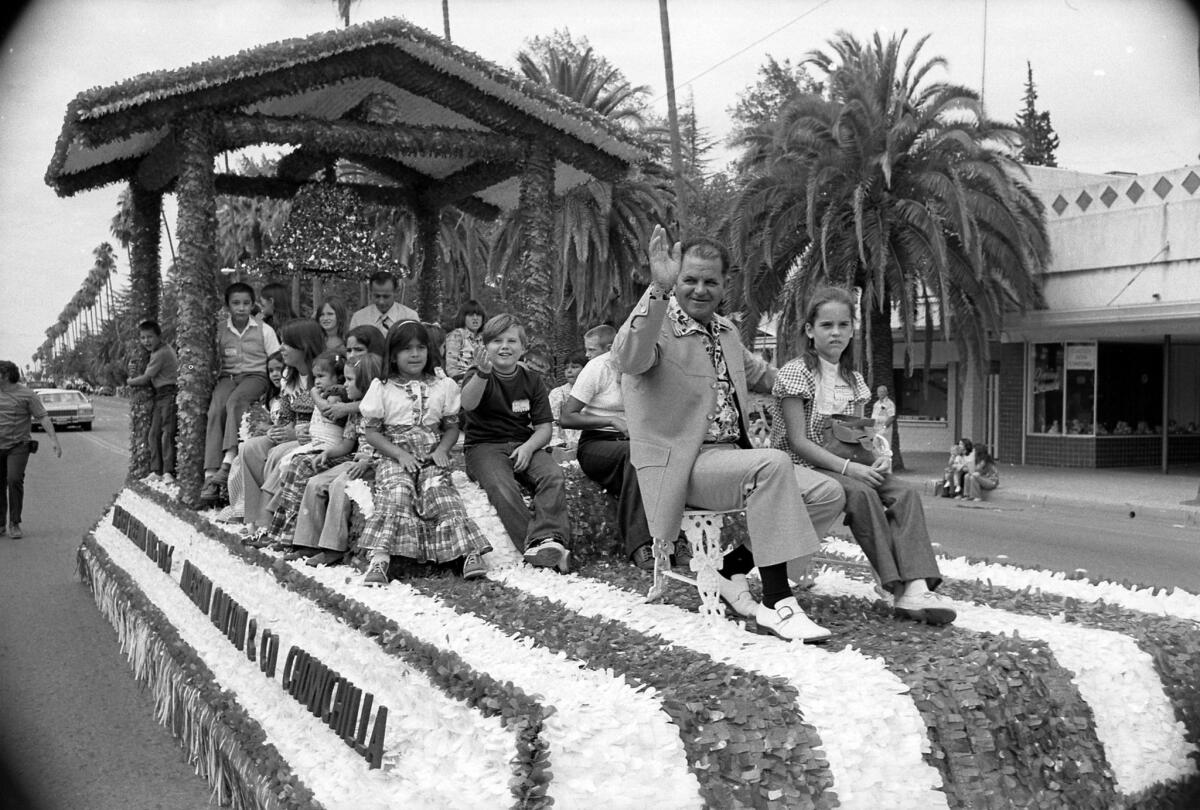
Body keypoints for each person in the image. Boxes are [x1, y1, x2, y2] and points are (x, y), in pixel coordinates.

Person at [611, 226, 837, 643]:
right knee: (772, 464)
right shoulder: (657, 325)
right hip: (683, 463)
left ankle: (732, 570)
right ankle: (777, 602)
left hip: (733, 458)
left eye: (710, 281)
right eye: (689, 279)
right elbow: (627, 356)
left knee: (827, 494)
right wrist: (656, 290)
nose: (699, 289)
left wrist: (822, 377)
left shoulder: (726, 332)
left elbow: (765, 376)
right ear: (675, 281)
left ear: (724, 285)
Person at [770, 285, 956, 626]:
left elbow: (859, 437)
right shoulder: (795, 374)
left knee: (905, 493)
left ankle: (917, 583)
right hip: (801, 466)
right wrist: (851, 470)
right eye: (826, 325)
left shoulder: (854, 380)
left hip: (845, 464)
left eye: (843, 325)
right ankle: (898, 588)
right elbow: (797, 442)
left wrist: (876, 458)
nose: (836, 332)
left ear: (853, 330)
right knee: (862, 494)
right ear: (810, 330)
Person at [358, 321, 492, 586]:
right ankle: (380, 558)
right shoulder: (382, 387)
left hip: (431, 454)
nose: (415, 354)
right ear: (393, 355)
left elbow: (451, 427)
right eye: (407, 349)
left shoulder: (441, 385)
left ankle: (468, 554)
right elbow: (372, 434)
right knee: (398, 491)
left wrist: (442, 449)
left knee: (440, 492)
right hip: (394, 455)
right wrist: (399, 455)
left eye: (421, 348)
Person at [461, 313, 571, 572]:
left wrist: (529, 447)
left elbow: (544, 427)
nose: (505, 346)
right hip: (483, 447)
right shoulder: (477, 374)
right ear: (485, 346)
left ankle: (552, 540)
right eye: (496, 341)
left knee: (553, 475)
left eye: (512, 341)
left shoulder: (532, 380)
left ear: (523, 348)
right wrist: (483, 374)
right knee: (502, 486)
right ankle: (533, 545)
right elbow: (467, 404)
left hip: (523, 443)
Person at [560, 325, 657, 571]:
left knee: (667, 457)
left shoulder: (648, 365)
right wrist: (611, 420)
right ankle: (640, 544)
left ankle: (673, 541)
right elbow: (567, 417)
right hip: (597, 443)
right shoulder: (597, 367)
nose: (587, 355)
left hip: (636, 441)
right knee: (635, 456)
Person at [288, 354, 384, 567]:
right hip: (354, 460)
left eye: (350, 380)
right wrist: (329, 454)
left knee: (341, 485)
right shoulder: (355, 412)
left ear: (366, 381)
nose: (345, 385)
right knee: (315, 483)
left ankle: (333, 548)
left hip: (376, 463)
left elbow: (391, 442)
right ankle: (307, 542)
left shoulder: (381, 409)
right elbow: (347, 444)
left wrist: (368, 460)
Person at [240, 320, 325, 539]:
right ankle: (252, 517)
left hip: (317, 437)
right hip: (294, 433)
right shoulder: (289, 374)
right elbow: (287, 416)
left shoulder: (324, 372)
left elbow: (327, 418)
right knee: (250, 448)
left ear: (304, 346)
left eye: (288, 343)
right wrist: (275, 431)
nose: (281, 348)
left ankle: (268, 521)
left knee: (278, 454)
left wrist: (294, 432)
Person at [265, 351, 356, 550]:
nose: (316, 381)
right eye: (315, 377)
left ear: (337, 378)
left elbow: (327, 411)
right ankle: (280, 531)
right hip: (318, 445)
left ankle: (292, 535)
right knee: (291, 463)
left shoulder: (337, 395)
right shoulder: (326, 393)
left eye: (321, 376)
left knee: (298, 466)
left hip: (332, 448)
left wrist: (314, 394)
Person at [202, 282, 280, 503]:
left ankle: (228, 460)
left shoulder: (264, 329)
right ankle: (210, 475)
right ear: (227, 306)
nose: (241, 308)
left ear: (252, 305)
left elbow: (276, 359)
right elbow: (201, 361)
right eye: (236, 303)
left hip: (255, 377)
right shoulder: (219, 330)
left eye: (246, 303)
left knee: (234, 402)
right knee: (216, 408)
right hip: (227, 377)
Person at [216, 352, 285, 525]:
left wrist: (269, 429)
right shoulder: (271, 397)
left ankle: (256, 514)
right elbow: (269, 419)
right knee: (242, 454)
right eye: (271, 371)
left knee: (252, 453)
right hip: (271, 437)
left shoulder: (290, 394)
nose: (275, 374)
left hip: (283, 439)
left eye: (279, 369)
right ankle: (242, 510)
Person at [0, 361, 61, 539]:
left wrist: (54, 440)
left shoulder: (27, 395)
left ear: (6, 376)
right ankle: (0, 523)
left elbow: (42, 417)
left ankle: (14, 523)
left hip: (18, 445)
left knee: (14, 479)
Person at [126, 319, 178, 483]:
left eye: (150, 337)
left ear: (158, 336)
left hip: (169, 394)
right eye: (142, 338)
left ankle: (168, 471)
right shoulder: (159, 351)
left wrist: (129, 381)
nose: (146, 341)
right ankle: (156, 471)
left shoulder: (161, 353)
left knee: (166, 433)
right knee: (153, 434)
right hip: (160, 395)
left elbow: (146, 379)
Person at [348, 271, 418, 335]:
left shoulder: (410, 317)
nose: (381, 302)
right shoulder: (359, 318)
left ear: (396, 292)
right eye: (377, 296)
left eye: (386, 296)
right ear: (370, 292)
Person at [548, 350, 585, 452]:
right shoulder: (558, 393)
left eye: (574, 367)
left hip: (587, 444)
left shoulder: (594, 394)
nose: (569, 371)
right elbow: (551, 422)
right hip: (561, 446)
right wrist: (559, 443)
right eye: (566, 368)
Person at [443, 299, 487, 382]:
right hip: (462, 381)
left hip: (481, 379)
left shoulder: (483, 338)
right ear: (463, 317)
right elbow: (451, 368)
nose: (475, 318)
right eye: (470, 315)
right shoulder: (457, 335)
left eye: (478, 315)